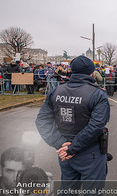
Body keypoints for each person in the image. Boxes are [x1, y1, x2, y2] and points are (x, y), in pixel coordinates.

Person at [35, 55, 110, 196]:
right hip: (89, 151)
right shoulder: (97, 94)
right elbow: (96, 126)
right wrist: (71, 147)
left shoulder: (56, 91)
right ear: (91, 73)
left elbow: (42, 121)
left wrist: (62, 144)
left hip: (65, 152)